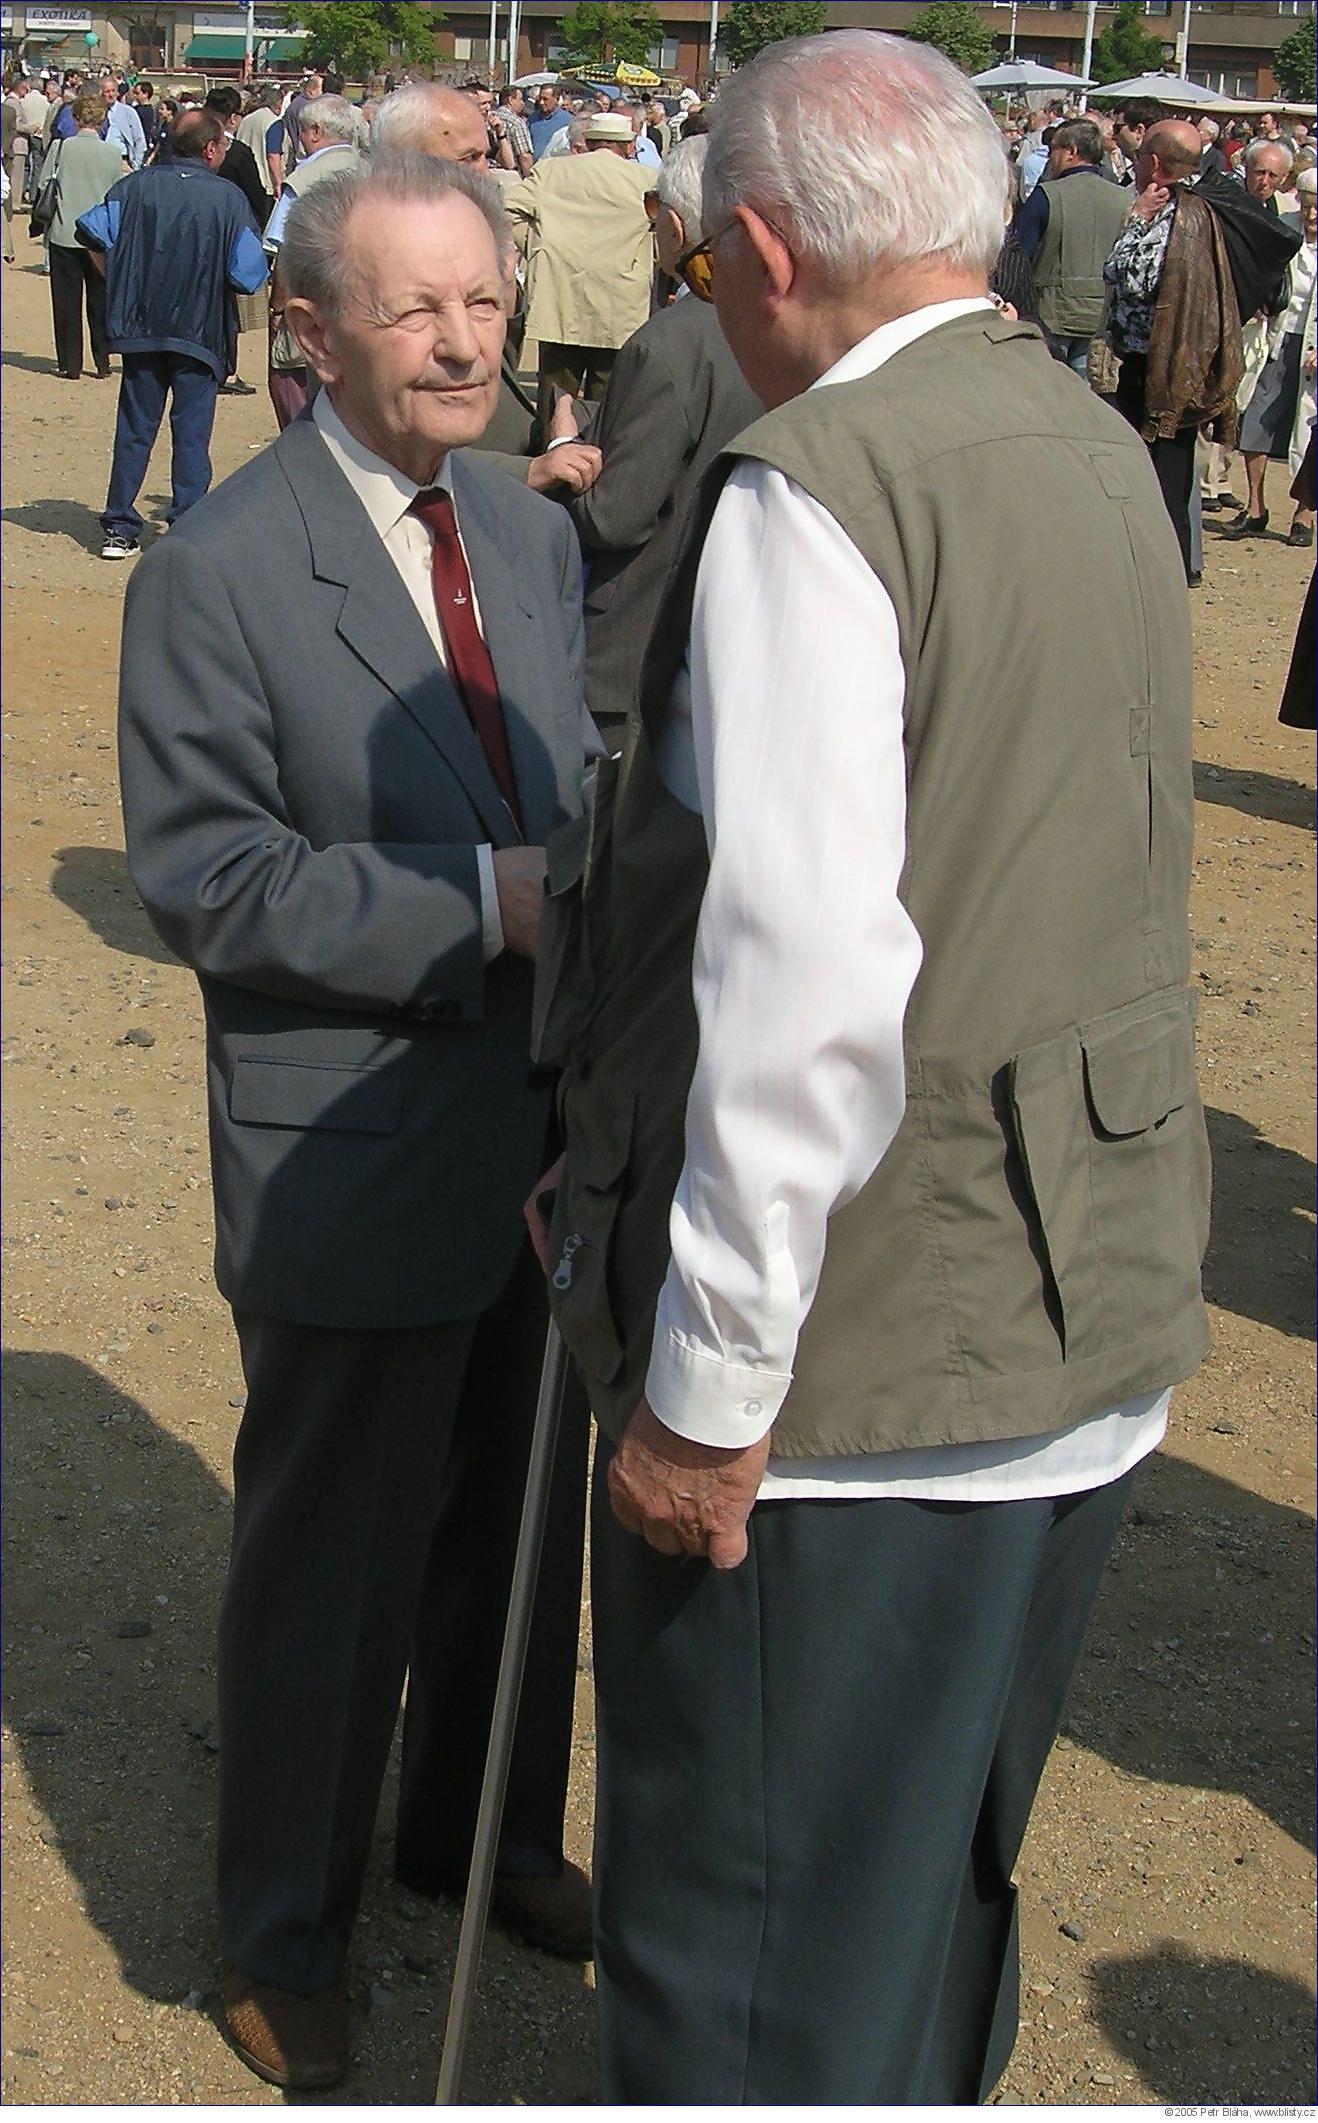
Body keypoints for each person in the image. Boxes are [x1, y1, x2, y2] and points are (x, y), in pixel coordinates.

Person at [529, 27, 1210, 2106]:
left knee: (753, 1971)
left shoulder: (818, 486)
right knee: (920, 1919)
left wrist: (706, 1398)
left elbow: (804, 976)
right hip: (1070, 1305)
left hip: (864, 1383)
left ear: (751, 247)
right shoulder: (1078, 432)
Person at [117, 152, 598, 2093]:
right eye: (415, 307)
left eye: (481, 297)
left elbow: (569, 763)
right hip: (353, 1145)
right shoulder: (216, 569)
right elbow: (207, 876)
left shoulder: (526, 524)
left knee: (519, 1514)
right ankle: (283, 1928)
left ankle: (473, 1827)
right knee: (330, 1560)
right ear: (303, 332)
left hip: (546, 1135)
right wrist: (480, 900)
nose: (465, 335)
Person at [564, 134, 762, 742]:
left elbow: (616, 517)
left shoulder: (671, 343)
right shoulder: (778, 321)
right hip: (733, 636)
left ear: (675, 227)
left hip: (637, 646)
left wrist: (561, 452)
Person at [369, 83, 603, 498]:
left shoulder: (463, 240)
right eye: (469, 159)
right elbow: (384, 442)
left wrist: (503, 287)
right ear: (406, 163)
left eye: (485, 154)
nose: (486, 171)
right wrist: (528, 471)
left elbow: (500, 363)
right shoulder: (366, 264)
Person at [75, 109, 268, 559]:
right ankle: (186, 525)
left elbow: (90, 232)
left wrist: (117, 275)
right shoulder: (229, 199)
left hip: (141, 327)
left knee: (135, 429)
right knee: (192, 432)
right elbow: (248, 274)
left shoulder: (134, 186)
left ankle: (119, 528)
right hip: (200, 333)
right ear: (210, 149)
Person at [1104, 118, 1243, 576]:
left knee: (1155, 475)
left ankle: (1158, 569)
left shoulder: (1167, 215)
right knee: (1175, 471)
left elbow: (1127, 276)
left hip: (1157, 366)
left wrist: (1135, 219)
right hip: (1185, 362)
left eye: (1142, 154)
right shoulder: (1207, 208)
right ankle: (1177, 564)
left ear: (1156, 163)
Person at [505, 110, 656, 432]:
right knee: (606, 405)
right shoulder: (646, 180)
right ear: (628, 145)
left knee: (554, 398)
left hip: (561, 296)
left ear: (587, 141)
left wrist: (537, 245)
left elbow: (508, 210)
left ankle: (550, 460)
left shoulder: (551, 171)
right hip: (620, 300)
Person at [262, 94, 364, 429]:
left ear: (317, 132)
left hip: (311, 305)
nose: (299, 139)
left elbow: (283, 252)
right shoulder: (372, 171)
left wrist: (278, 310)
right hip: (365, 303)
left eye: (302, 132)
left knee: (292, 390)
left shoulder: (304, 179)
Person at [1227, 168, 1317, 546]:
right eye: (1308, 206)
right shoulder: (1282, 227)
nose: (1312, 216)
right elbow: (1254, 271)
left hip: (1313, 345)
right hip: (1276, 337)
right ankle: (1255, 505)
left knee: (1310, 431)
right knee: (1257, 420)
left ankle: (1305, 514)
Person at [1011, 116, 1129, 376]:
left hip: (1052, 315)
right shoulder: (1126, 198)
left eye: (1054, 148)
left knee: (1048, 391)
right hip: (1100, 316)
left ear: (1071, 152)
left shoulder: (1047, 195)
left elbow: (1019, 258)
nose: (1050, 156)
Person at [44, 92, 123, 378]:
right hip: (99, 237)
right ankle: (102, 361)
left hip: (64, 233)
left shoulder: (60, 148)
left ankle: (70, 363)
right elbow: (119, 196)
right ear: (102, 121)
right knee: (100, 301)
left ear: (76, 118)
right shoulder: (113, 154)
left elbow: (44, 185)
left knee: (66, 303)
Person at [98, 72, 145, 170]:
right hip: (101, 159)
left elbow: (139, 139)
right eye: (107, 91)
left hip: (122, 160)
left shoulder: (128, 112)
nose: (111, 94)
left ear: (117, 92)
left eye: (113, 91)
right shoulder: (97, 112)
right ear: (101, 93)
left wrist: (136, 165)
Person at [496, 82, 533, 176]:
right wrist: (529, 178)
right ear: (511, 100)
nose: (523, 103)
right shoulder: (517, 123)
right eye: (520, 99)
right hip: (512, 173)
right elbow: (524, 157)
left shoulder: (490, 118)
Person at [527, 83, 569, 160]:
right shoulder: (532, 118)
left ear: (556, 99)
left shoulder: (567, 120)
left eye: (545, 99)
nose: (541, 102)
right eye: (540, 98)